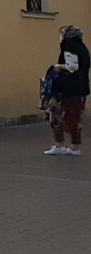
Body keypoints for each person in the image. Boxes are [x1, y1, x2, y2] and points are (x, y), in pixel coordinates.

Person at [44, 25, 91, 156]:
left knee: (55, 115)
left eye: (62, 33)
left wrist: (57, 66)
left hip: (67, 89)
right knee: (73, 118)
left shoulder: (69, 45)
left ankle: (59, 145)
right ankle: (75, 147)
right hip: (80, 88)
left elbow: (72, 66)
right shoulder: (82, 48)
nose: (61, 37)